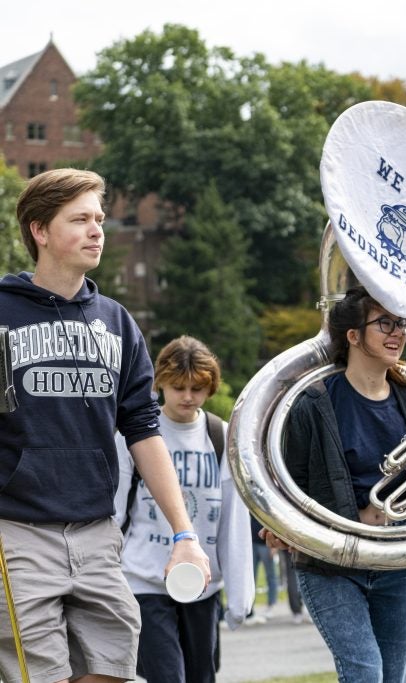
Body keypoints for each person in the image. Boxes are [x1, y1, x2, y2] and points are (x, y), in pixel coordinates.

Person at [0, 168, 210, 681]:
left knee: (114, 668)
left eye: (99, 218)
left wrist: (184, 533)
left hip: (98, 532)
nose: (98, 230)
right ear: (40, 231)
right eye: (80, 220)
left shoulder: (117, 322)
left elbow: (144, 429)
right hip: (17, 536)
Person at [264, 286, 406, 683]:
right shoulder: (312, 401)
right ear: (353, 336)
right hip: (330, 564)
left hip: (394, 561)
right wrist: (280, 525)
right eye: (384, 322)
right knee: (365, 672)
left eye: (401, 322)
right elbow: (288, 482)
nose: (398, 331)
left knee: (392, 677)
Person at [114, 335, 254, 683]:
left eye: (197, 388)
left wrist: (240, 596)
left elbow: (232, 523)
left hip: (202, 584)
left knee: (201, 675)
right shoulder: (134, 437)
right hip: (145, 579)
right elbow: (114, 512)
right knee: (165, 676)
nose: (188, 397)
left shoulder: (220, 437)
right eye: (178, 387)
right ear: (159, 382)